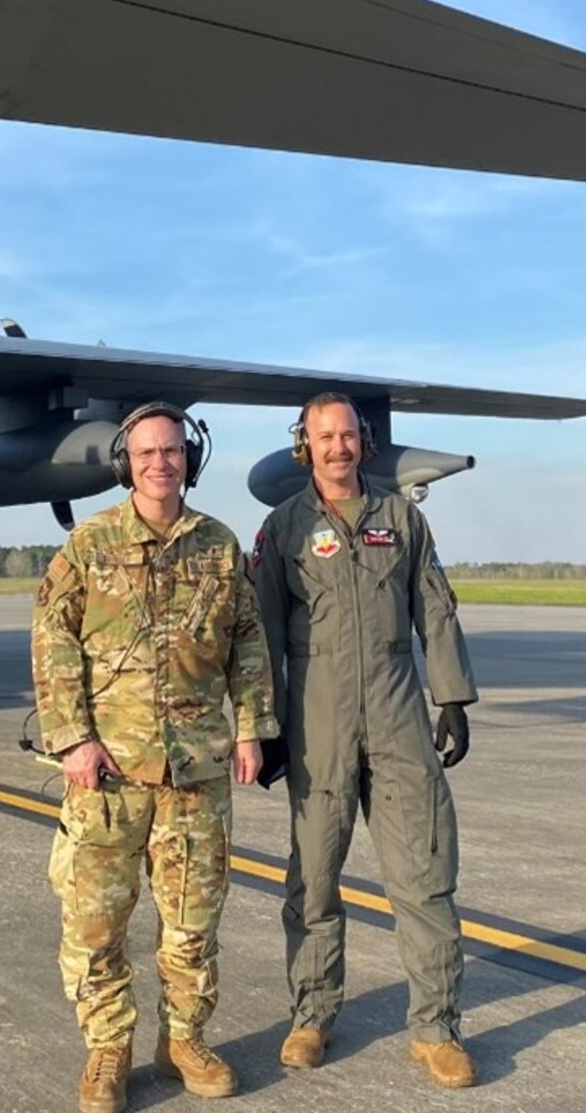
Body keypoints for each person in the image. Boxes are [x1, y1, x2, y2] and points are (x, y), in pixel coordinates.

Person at [31, 402, 277, 1113]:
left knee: (193, 924)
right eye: (146, 453)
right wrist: (73, 737)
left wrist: (252, 729)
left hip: (196, 772)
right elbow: (54, 640)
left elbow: (248, 643)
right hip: (107, 774)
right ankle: (108, 1049)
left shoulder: (218, 545)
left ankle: (185, 1040)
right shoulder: (90, 542)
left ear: (188, 459)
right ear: (125, 463)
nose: (160, 463)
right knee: (95, 925)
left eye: (172, 451)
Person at [251, 393, 479, 1090]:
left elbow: (433, 611)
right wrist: (267, 725)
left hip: (396, 714)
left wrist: (451, 696)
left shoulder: (401, 520)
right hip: (317, 723)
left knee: (424, 877)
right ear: (306, 444)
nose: (339, 447)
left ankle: (436, 1029)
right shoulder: (283, 528)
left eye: (348, 435)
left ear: (364, 443)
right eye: (326, 436)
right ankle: (313, 1016)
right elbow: (260, 633)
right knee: (314, 879)